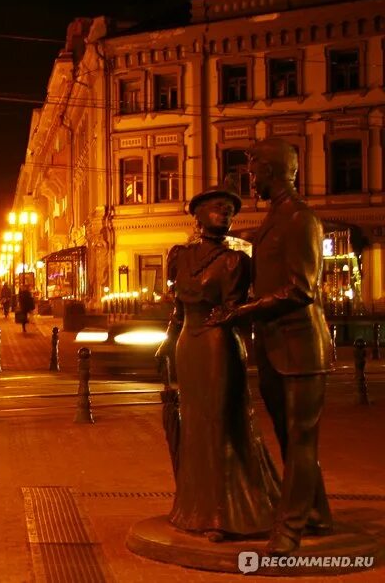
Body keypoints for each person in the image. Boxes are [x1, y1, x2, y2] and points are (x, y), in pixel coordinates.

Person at [207, 139, 334, 555]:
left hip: (301, 345)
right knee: (289, 436)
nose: (250, 178)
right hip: (276, 344)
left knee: (300, 438)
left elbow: (300, 289)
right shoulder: (274, 218)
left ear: (273, 171)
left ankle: (289, 528)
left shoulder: (300, 219)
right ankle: (317, 512)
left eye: (255, 170)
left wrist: (244, 313)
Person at [156, 183, 281, 542]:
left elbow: (239, 308)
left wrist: (233, 315)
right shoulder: (179, 255)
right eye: (218, 207)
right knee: (195, 423)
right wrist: (167, 341)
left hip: (218, 343)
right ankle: (193, 506)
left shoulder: (236, 261)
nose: (225, 213)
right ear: (197, 214)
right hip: (188, 344)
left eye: (230, 209)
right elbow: (177, 308)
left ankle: (223, 514)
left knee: (220, 423)